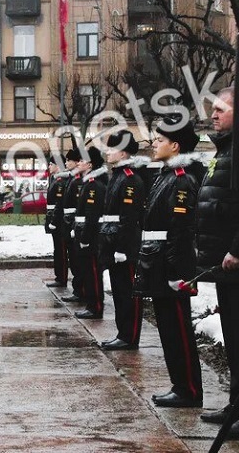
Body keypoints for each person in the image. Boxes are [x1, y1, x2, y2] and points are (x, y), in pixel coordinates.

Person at [135, 116, 202, 408]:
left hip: (169, 264)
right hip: (158, 261)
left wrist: (177, 272)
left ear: (175, 146)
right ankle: (180, 385)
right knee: (167, 328)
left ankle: (188, 390)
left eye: (159, 140)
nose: (153, 143)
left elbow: (181, 229)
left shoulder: (182, 179)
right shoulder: (165, 175)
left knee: (178, 329)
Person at [197, 87, 239, 430]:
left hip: (234, 262)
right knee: (234, 342)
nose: (214, 114)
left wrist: (237, 249)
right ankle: (234, 408)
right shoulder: (224, 151)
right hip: (224, 266)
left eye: (222, 109)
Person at [98, 130, 148, 350]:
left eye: (112, 148)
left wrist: (122, 247)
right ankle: (123, 332)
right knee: (119, 291)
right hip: (113, 242)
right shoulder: (117, 176)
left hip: (124, 246)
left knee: (128, 292)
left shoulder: (129, 179)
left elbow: (129, 218)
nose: (108, 152)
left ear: (124, 152)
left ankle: (130, 336)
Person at [73, 146, 109, 320]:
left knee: (93, 272)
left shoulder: (94, 185)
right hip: (85, 233)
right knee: (88, 271)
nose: (78, 163)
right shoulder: (88, 182)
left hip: (92, 236)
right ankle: (91, 304)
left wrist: (86, 238)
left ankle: (95, 307)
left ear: (90, 164)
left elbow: (92, 214)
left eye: (81, 160)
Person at [59, 148, 84, 303]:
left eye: (69, 160)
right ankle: (78, 289)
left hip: (74, 225)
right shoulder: (72, 179)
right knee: (74, 260)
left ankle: (80, 290)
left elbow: (78, 206)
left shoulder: (79, 180)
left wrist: (73, 226)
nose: (66, 163)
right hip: (68, 224)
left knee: (77, 261)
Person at [44, 159, 68, 288]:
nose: (49, 166)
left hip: (59, 221)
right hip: (54, 219)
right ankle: (59, 276)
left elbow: (59, 203)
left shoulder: (61, 182)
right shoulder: (54, 180)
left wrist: (54, 221)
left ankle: (62, 278)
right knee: (57, 250)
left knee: (61, 251)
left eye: (51, 164)